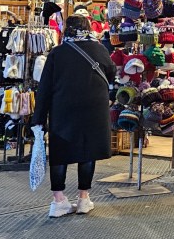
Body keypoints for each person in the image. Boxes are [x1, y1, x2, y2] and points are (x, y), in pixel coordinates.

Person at [32, 15, 116, 218]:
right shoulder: (100, 49)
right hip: (93, 109)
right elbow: (111, 75)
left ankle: (58, 200)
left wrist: (38, 120)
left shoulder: (57, 53)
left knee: (60, 152)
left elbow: (45, 88)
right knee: (88, 151)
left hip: (63, 109)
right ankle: (83, 198)